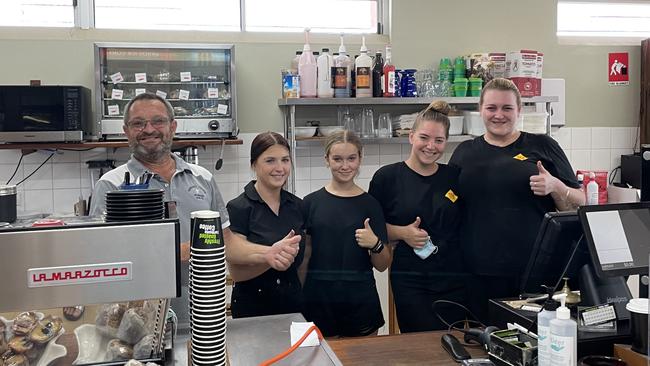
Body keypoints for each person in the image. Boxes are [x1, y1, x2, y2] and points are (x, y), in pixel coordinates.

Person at [89, 93, 300, 328]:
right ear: (126, 130)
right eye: (138, 123)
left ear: (172, 126)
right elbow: (101, 259)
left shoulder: (202, 178)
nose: (149, 129)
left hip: (201, 311)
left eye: (158, 121)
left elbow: (226, 241)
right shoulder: (111, 186)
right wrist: (178, 251)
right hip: (135, 317)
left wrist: (268, 254)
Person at [448, 78, 585, 321]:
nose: (498, 115)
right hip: (477, 271)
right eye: (491, 108)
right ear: (480, 110)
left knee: (533, 343)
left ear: (519, 111)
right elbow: (450, 206)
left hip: (534, 271)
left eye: (507, 108)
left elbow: (579, 202)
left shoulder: (543, 145)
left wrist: (555, 186)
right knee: (485, 342)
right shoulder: (464, 152)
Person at [368, 100, 466, 332]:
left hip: (453, 279)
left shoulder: (455, 177)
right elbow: (372, 228)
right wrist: (403, 233)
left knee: (451, 346)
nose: (431, 146)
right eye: (424, 137)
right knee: (417, 345)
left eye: (439, 140)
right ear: (411, 136)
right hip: (410, 279)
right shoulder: (387, 178)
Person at [301, 130, 392, 337]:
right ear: (326, 160)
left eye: (351, 158)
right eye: (337, 159)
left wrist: (375, 243)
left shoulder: (371, 204)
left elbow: (382, 265)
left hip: (361, 301)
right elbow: (305, 258)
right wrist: (299, 297)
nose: (345, 166)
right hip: (319, 301)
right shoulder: (310, 203)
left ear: (360, 158)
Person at [226, 132, 305, 318]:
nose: (280, 168)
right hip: (252, 309)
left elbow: (303, 263)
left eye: (285, 160)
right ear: (254, 164)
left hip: (293, 307)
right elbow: (236, 272)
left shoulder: (298, 206)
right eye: (270, 160)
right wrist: (272, 257)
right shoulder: (238, 207)